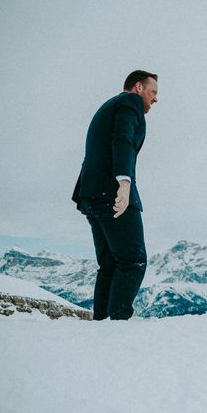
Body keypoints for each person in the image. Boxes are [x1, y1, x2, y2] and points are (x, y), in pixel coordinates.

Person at [72, 70, 158, 320]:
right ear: (138, 87)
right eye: (153, 92)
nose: (155, 100)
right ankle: (118, 324)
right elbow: (123, 139)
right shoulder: (129, 102)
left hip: (91, 194)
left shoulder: (109, 106)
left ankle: (102, 325)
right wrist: (124, 182)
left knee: (109, 265)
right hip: (111, 192)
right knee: (133, 262)